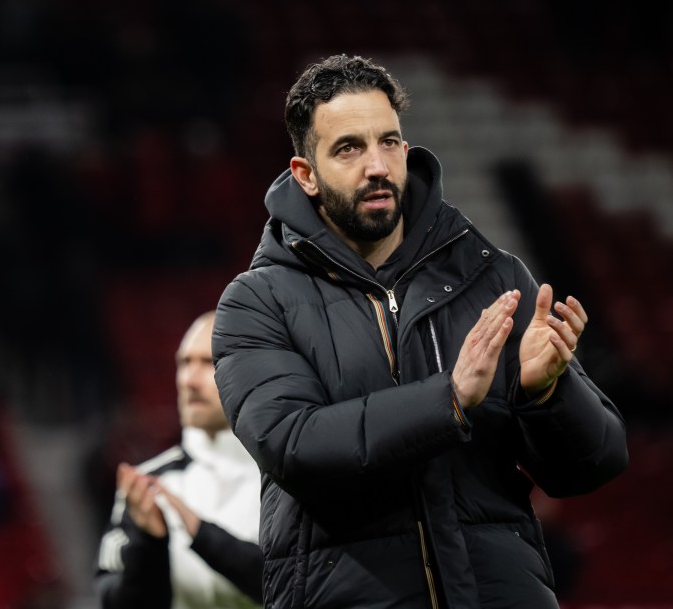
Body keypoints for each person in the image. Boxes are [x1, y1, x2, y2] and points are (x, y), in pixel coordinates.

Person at [211, 54, 629, 608]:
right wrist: (448, 400)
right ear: (305, 175)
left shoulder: (493, 276)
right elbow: (295, 446)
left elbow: (595, 463)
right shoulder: (256, 303)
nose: (377, 166)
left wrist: (547, 392)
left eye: (389, 142)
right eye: (349, 148)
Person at [95, 310, 263, 608]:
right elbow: (114, 602)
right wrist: (148, 544)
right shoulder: (148, 485)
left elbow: (310, 587)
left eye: (208, 362)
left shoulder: (292, 473)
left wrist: (201, 533)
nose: (189, 380)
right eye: (184, 363)